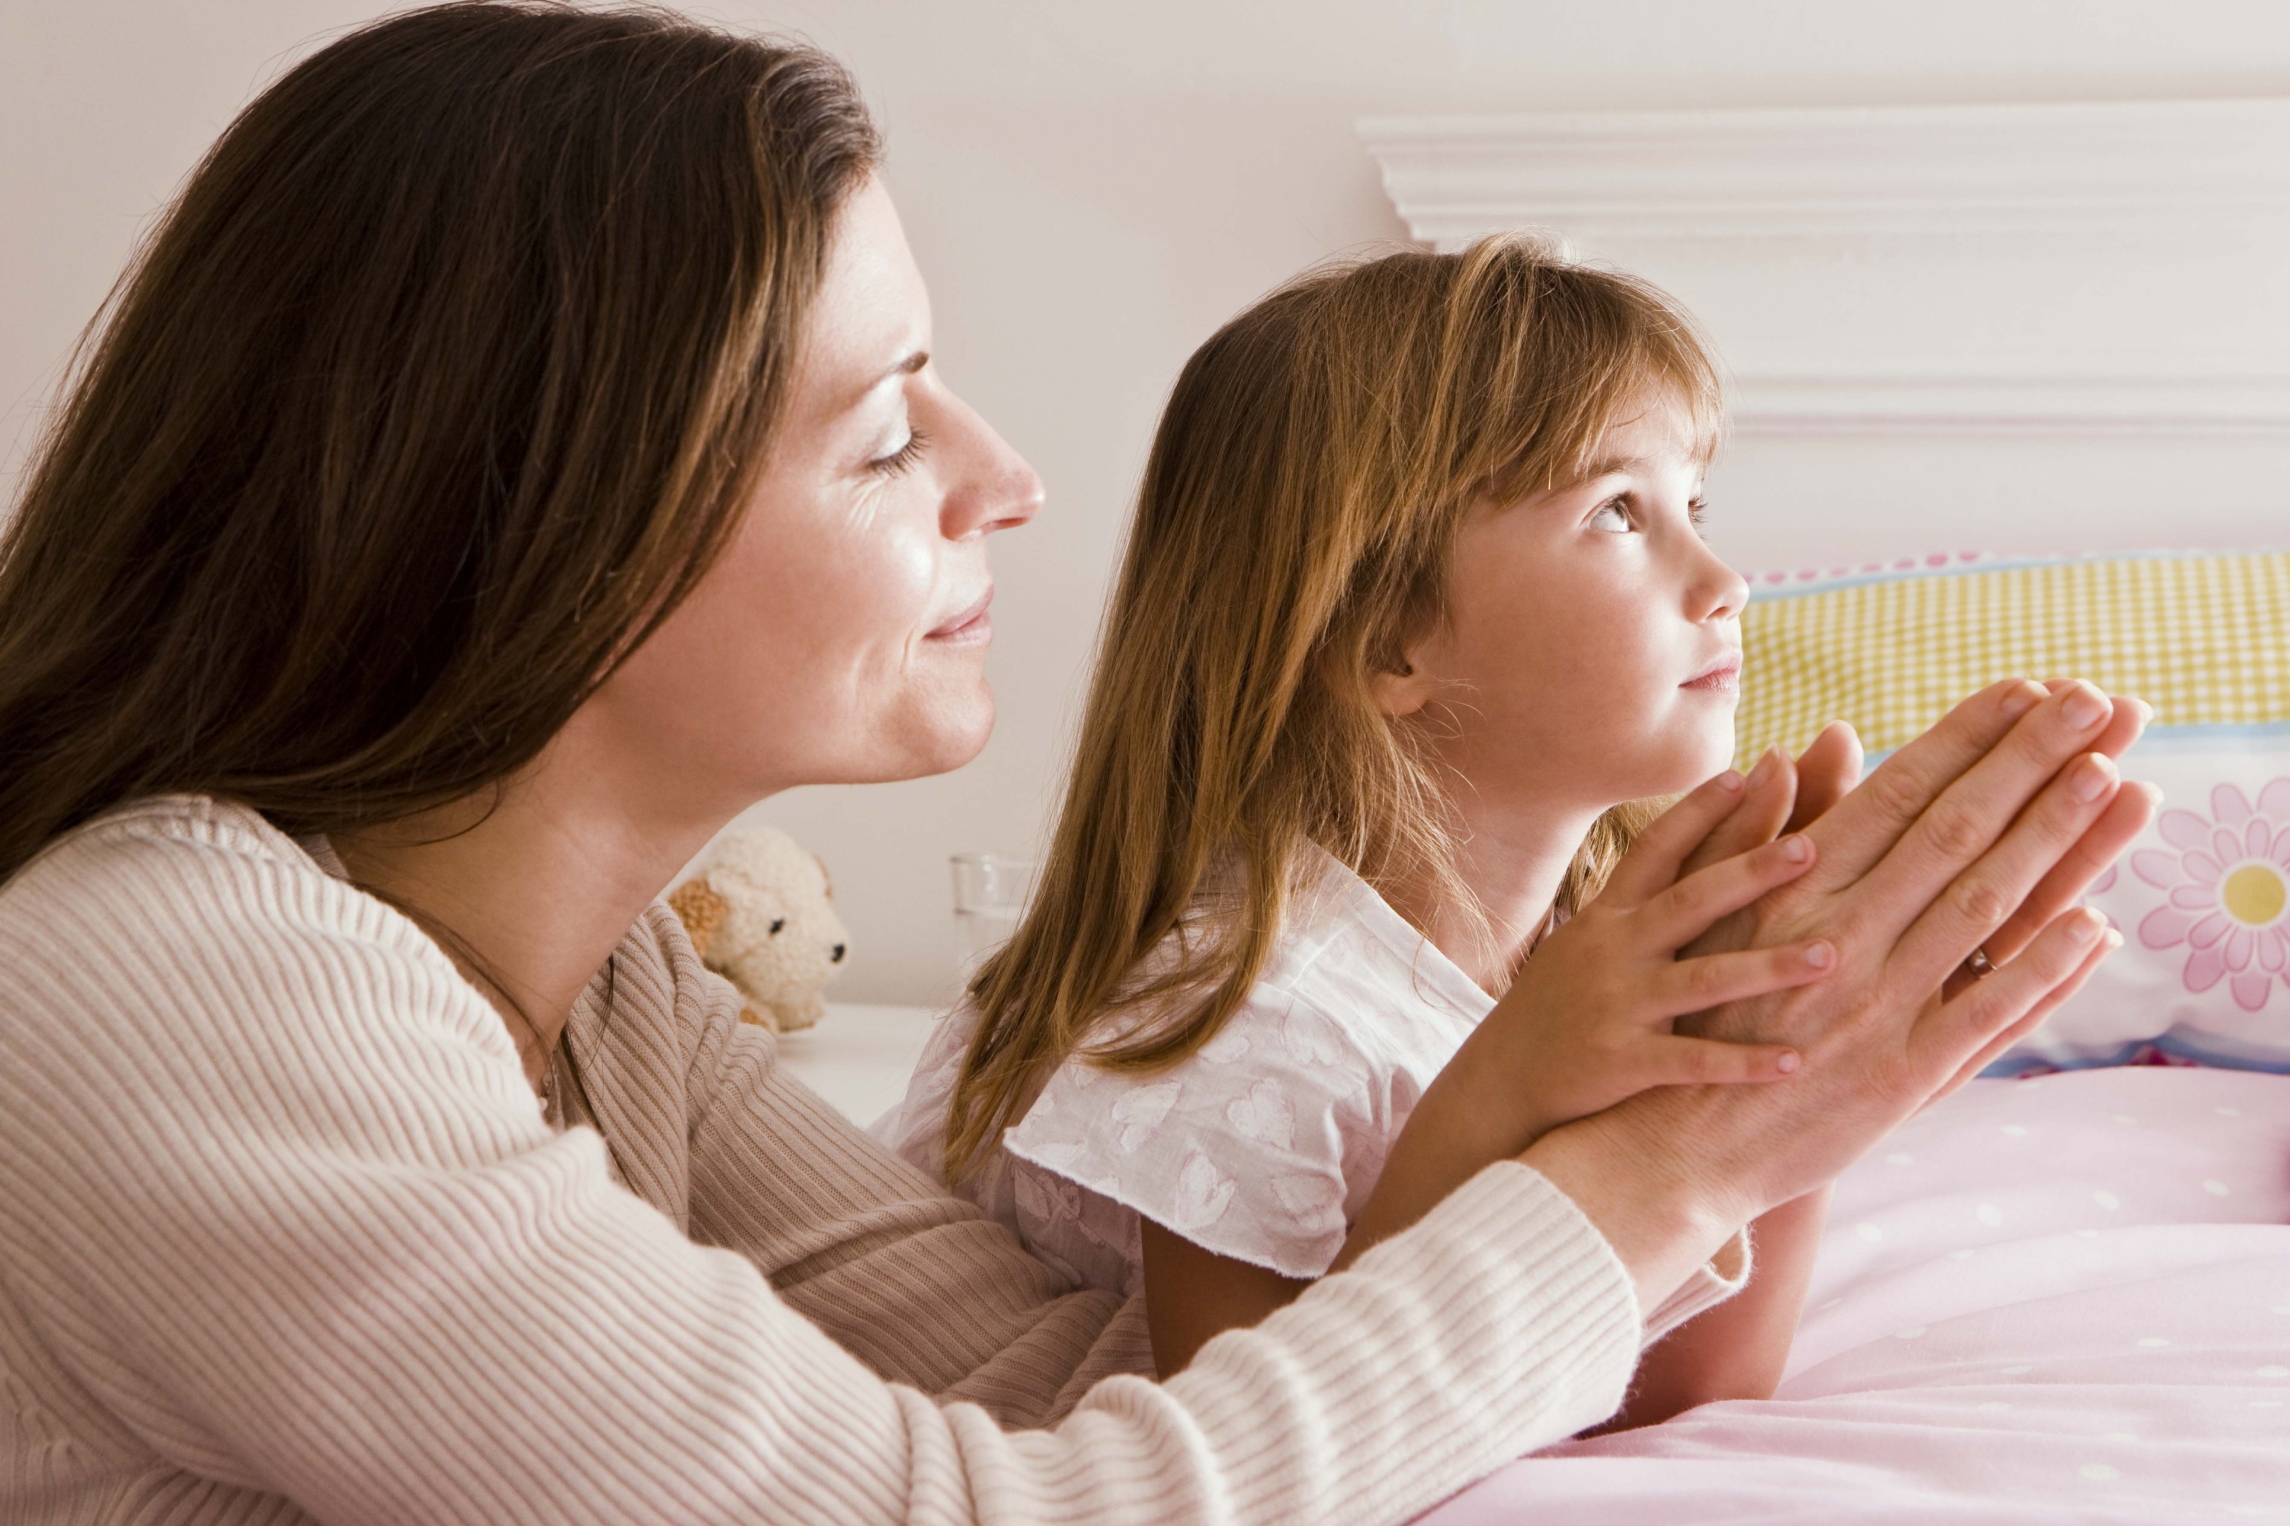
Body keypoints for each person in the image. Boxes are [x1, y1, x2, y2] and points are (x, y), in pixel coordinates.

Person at [0, 5, 2152, 1523]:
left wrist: (1686, 1114)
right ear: (543, 529)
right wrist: (1643, 1176)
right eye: (882, 427)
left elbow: (1087, 1397)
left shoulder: (614, 994)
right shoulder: (182, 975)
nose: (1008, 480)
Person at [875, 246, 2136, 1421]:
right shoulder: (1241, 1016)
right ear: (1387, 638)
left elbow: (1686, 1395)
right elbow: (1274, 1456)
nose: (1723, 578)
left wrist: (1792, 1074)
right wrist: (1513, 1097)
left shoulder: (1571, 963)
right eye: (1618, 515)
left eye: (1693, 501)